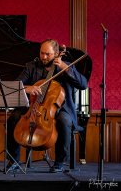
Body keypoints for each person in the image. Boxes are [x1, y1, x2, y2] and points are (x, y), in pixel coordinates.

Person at [6, 39, 88, 173]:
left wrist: (63, 66)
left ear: (56, 54)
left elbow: (83, 84)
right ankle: (13, 160)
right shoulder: (31, 66)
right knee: (13, 118)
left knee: (64, 120)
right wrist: (29, 88)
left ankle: (60, 162)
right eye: (42, 53)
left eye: (47, 54)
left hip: (61, 108)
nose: (43, 57)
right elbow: (17, 85)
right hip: (34, 106)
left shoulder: (65, 66)